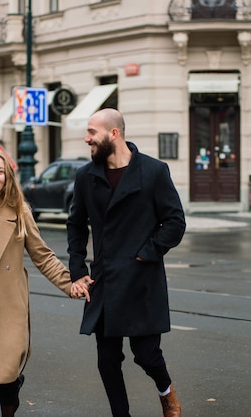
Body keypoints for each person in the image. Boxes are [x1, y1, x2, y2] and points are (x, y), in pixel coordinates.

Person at [0, 149, 89, 416]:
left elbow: (42, 256)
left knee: (6, 376)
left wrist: (70, 284)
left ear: (7, 178)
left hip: (8, 308)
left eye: (0, 172)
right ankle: (10, 383)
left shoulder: (19, 212)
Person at [67, 108, 186, 417]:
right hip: (104, 280)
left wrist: (147, 251)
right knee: (107, 358)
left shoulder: (153, 171)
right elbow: (76, 225)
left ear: (114, 134)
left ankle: (166, 392)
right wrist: (78, 270)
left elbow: (174, 222)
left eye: (92, 132)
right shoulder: (86, 176)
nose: (87, 138)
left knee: (146, 354)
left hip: (142, 279)